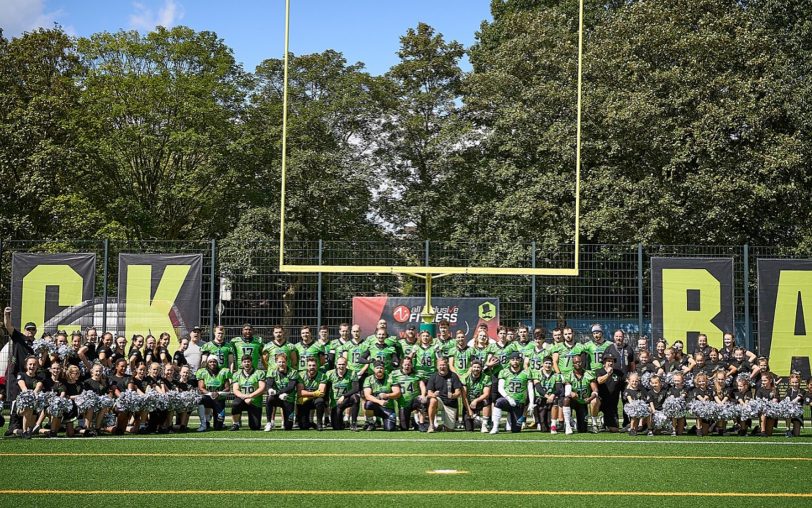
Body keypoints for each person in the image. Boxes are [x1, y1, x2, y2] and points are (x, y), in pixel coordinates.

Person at [3, 307, 36, 437]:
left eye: (33, 329)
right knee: (15, 400)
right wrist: (6, 314)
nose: (30, 331)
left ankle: (25, 428)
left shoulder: (38, 344)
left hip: (30, 376)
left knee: (28, 401)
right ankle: (13, 426)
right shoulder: (19, 337)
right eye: (28, 329)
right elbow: (8, 326)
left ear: (35, 331)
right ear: (24, 330)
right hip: (16, 373)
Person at [490, 351, 534, 434]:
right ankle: (495, 427)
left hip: (519, 403)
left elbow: (530, 389)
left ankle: (511, 422)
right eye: (513, 359)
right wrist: (508, 398)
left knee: (516, 430)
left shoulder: (526, 372)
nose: (515, 361)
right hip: (508, 400)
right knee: (498, 402)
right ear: (509, 361)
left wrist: (531, 403)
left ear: (520, 360)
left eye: (517, 359)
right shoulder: (504, 372)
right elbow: (500, 388)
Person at [562, 355, 599, 434]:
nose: (578, 364)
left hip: (583, 402)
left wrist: (590, 398)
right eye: (576, 362)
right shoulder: (569, 375)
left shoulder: (589, 374)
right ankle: (568, 425)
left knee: (582, 429)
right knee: (566, 399)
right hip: (573, 401)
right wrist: (571, 393)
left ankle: (576, 423)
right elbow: (567, 388)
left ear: (582, 363)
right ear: (573, 364)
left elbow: (595, 390)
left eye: (579, 362)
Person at [230, 354, 266, 431]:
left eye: (248, 362)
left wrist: (250, 396)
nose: (247, 363)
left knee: (255, 427)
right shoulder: (237, 374)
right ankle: (235, 423)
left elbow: (262, 388)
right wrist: (244, 397)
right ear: (242, 363)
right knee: (235, 404)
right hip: (242, 400)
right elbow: (235, 389)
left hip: (254, 401)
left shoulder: (259, 373)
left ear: (251, 362)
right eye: (245, 362)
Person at [391, 356, 427, 431]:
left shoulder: (417, 374)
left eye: (409, 365)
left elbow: (422, 386)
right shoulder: (395, 374)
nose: (407, 366)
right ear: (402, 365)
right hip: (403, 402)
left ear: (411, 365)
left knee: (422, 402)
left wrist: (423, 395)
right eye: (405, 365)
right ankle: (413, 420)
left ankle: (421, 424)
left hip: (415, 400)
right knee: (404, 428)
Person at [362, 360, 400, 431]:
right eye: (377, 368)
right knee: (368, 404)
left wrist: (387, 395)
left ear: (384, 369)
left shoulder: (391, 378)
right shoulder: (368, 379)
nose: (379, 370)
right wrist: (379, 401)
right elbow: (367, 395)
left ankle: (391, 422)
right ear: (373, 369)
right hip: (376, 407)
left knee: (390, 429)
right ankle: (371, 423)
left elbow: (397, 393)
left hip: (387, 408)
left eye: (381, 368)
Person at [325, 356, 360, 431]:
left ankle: (353, 424)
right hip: (336, 402)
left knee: (356, 398)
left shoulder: (352, 373)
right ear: (336, 364)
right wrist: (326, 401)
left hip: (347, 399)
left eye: (343, 364)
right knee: (337, 427)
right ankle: (342, 422)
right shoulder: (329, 373)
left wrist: (344, 396)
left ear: (346, 364)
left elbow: (356, 388)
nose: (341, 366)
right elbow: (326, 389)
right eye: (339, 364)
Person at [196, 356, 231, 431]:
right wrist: (210, 393)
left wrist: (218, 393)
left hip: (219, 399)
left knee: (218, 427)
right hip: (207, 398)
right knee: (200, 400)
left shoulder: (223, 372)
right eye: (210, 362)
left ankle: (213, 418)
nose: (212, 363)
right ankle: (204, 423)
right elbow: (201, 388)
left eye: (214, 361)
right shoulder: (202, 372)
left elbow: (227, 388)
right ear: (207, 363)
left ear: (217, 362)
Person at [265, 353, 297, 431]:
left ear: (287, 362)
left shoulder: (293, 372)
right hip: (277, 398)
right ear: (276, 362)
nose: (281, 364)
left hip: (288, 398)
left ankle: (286, 422)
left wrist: (278, 392)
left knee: (288, 427)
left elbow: (291, 387)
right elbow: (269, 385)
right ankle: (269, 422)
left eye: (283, 362)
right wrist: (271, 390)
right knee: (269, 399)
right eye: (279, 362)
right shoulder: (272, 371)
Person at [296, 357, 327, 430]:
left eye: (314, 365)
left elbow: (321, 392)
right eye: (309, 365)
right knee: (303, 427)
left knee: (320, 401)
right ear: (307, 366)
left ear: (317, 366)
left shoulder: (322, 376)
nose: (312, 367)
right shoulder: (300, 375)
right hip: (304, 401)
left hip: (314, 401)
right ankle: (311, 423)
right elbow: (300, 392)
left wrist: (307, 395)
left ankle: (319, 424)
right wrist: (315, 393)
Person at [595, 355, 624, 432]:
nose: (610, 363)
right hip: (600, 402)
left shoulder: (619, 373)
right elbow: (600, 381)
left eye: (612, 361)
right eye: (608, 361)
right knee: (594, 402)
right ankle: (595, 422)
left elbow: (625, 384)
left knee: (615, 429)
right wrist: (608, 374)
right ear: (604, 362)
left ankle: (604, 421)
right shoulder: (599, 371)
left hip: (612, 405)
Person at [461, 359, 491, 433]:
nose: (476, 369)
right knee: (469, 429)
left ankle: (484, 424)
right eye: (474, 367)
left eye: (478, 367)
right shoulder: (465, 377)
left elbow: (486, 394)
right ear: (471, 368)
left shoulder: (486, 377)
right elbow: (463, 396)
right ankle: (476, 419)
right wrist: (469, 410)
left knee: (486, 400)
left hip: (480, 401)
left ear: (481, 368)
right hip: (469, 402)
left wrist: (476, 400)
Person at [534, 357, 563, 433]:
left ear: (552, 365)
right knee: (544, 428)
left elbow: (559, 388)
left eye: (550, 363)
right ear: (542, 364)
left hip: (552, 400)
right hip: (541, 398)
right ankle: (539, 423)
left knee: (549, 425)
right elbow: (538, 388)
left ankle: (553, 424)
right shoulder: (537, 373)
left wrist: (552, 395)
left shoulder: (556, 375)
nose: (548, 365)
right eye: (546, 363)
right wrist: (547, 396)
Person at [755, 372, 780, 437]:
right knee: (763, 411)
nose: (763, 382)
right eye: (762, 380)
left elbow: (775, 400)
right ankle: (762, 431)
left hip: (772, 412)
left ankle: (757, 430)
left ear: (770, 381)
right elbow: (758, 401)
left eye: (765, 380)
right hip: (763, 411)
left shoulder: (775, 390)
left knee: (769, 433)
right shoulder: (760, 390)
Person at [784, 372, 805, 438]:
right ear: (790, 382)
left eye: (796, 382)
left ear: (799, 382)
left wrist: (793, 401)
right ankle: (787, 430)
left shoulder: (802, 391)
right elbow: (787, 399)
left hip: (798, 414)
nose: (794, 384)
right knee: (788, 412)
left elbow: (798, 398)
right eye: (793, 382)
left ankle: (793, 430)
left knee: (796, 434)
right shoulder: (788, 390)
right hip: (790, 413)